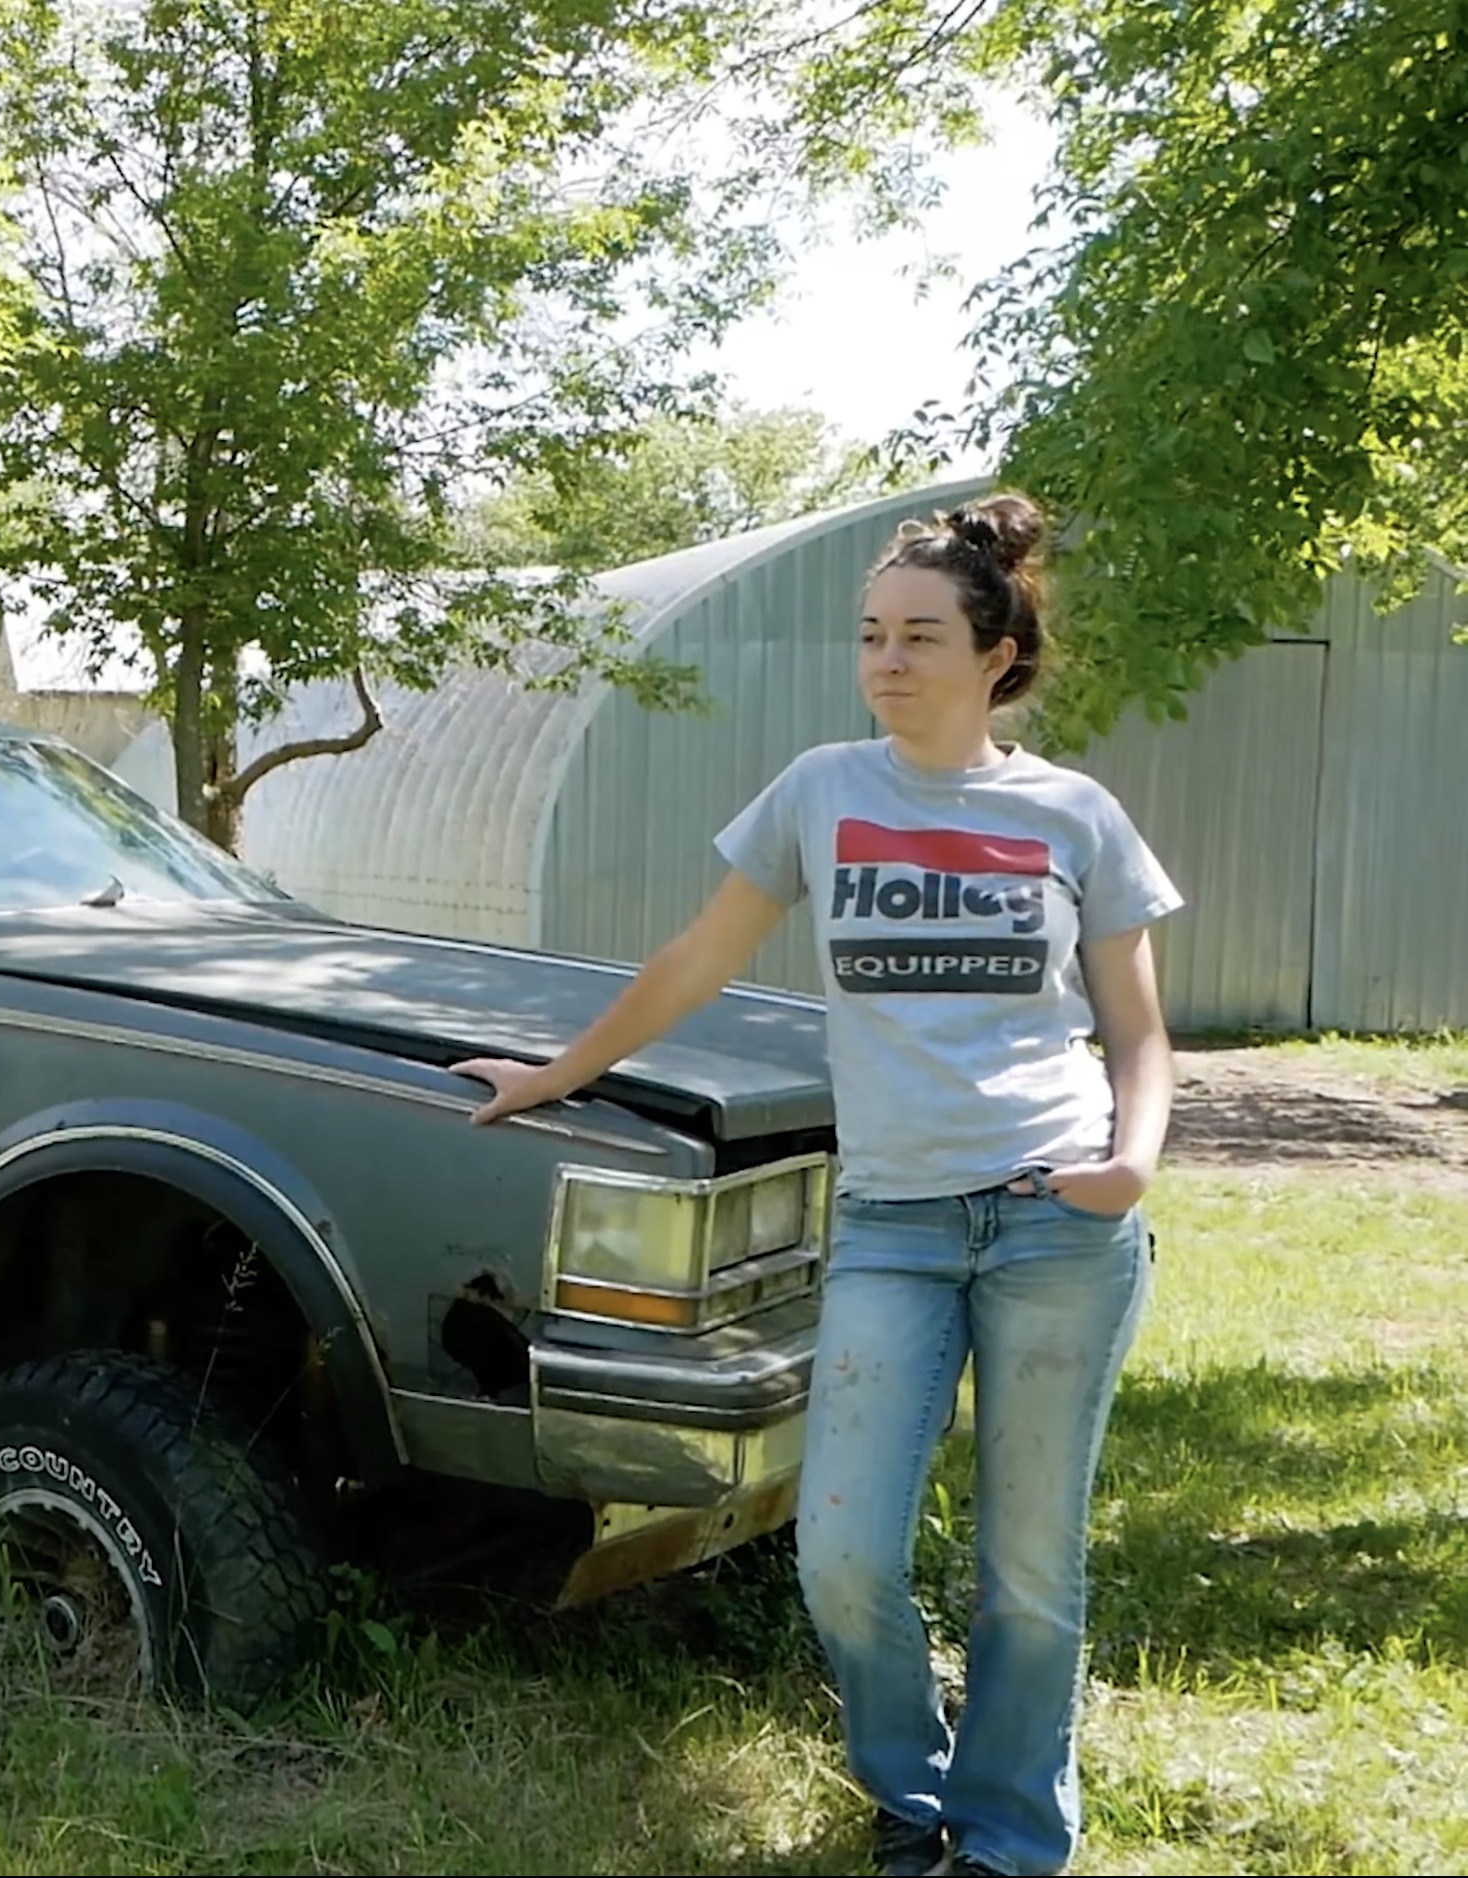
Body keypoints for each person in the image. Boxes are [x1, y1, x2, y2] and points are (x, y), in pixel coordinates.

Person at [453, 491, 1179, 1878]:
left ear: (996, 652)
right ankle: (911, 1798)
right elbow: (694, 957)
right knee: (840, 1551)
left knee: (1030, 1566)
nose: (888, 661)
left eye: (920, 636)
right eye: (870, 636)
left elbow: (1138, 1028)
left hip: (1055, 1217)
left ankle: (1010, 1834)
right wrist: (558, 1069)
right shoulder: (821, 792)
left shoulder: (1074, 816)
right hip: (897, 1226)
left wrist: (1131, 1159)